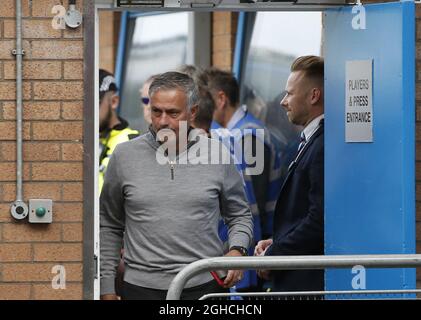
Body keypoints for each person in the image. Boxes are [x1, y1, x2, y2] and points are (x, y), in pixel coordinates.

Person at [100, 71, 253, 300]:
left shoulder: (217, 154)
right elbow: (109, 225)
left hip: (205, 288)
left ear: (192, 112)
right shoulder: (124, 156)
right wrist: (106, 287)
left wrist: (238, 249)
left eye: (173, 113)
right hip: (140, 289)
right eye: (156, 111)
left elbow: (240, 214)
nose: (163, 121)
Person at [202, 67, 283, 291]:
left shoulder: (249, 136)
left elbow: (249, 207)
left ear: (220, 99)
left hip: (252, 253)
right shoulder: (233, 134)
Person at [255, 55, 325, 292]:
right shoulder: (313, 139)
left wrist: (275, 254)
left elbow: (318, 220)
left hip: (306, 284)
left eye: (290, 94)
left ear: (314, 96)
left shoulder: (323, 144)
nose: (283, 101)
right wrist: (277, 242)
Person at [99, 69, 139, 193]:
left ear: (114, 101)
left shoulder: (132, 142)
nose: (89, 112)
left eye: (96, 104)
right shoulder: (83, 141)